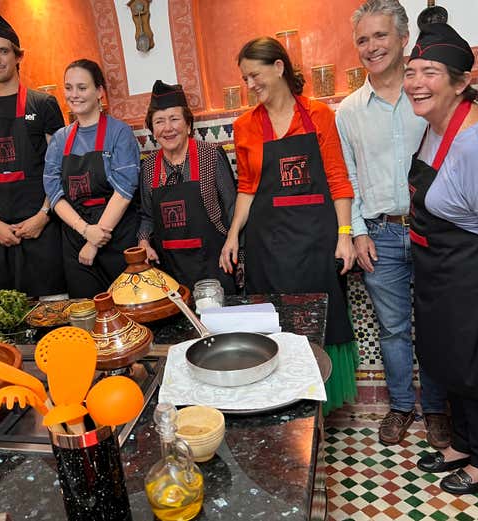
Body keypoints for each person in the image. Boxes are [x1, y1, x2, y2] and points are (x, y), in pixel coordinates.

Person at [405, 20, 478, 494]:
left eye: (430, 72)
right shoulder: (435, 124)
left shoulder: (475, 142)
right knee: (447, 361)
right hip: (436, 270)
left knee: (472, 367)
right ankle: (464, 443)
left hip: (469, 272)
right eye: (411, 72)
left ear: (460, 82)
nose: (415, 83)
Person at [219, 37, 358, 414]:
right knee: (276, 320)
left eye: (255, 75)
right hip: (267, 241)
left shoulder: (318, 115)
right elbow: (246, 188)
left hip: (316, 238)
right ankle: (288, 400)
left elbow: (337, 179)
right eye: (245, 78)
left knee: (322, 316)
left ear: (279, 67)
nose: (250, 85)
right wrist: (233, 237)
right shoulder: (245, 126)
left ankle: (321, 403)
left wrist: (344, 236)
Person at [336, 0, 450, 448]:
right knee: (394, 329)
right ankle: (402, 407)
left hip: (432, 229)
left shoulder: (428, 92)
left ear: (404, 38)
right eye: (363, 40)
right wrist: (358, 230)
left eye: (380, 36)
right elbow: (346, 176)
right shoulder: (348, 111)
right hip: (379, 234)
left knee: (436, 323)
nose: (371, 46)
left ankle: (438, 410)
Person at [0, 13, 66, 297]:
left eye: (3, 51)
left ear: (18, 56)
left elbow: (58, 169)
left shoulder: (44, 104)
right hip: (3, 236)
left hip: (44, 231)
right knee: (15, 321)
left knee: (55, 311)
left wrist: (43, 216)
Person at [43, 59, 140, 298]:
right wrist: (86, 232)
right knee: (87, 315)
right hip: (77, 239)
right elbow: (54, 192)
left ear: (99, 92)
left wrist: (95, 241)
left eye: (82, 88)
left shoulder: (120, 132)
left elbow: (125, 190)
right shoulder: (59, 139)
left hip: (117, 238)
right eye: (68, 88)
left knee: (128, 311)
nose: (74, 95)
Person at [137, 80, 237, 293]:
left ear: (188, 124)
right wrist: (144, 243)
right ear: (152, 130)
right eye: (159, 121)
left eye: (174, 119)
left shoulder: (210, 155)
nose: (168, 128)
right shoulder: (148, 168)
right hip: (170, 271)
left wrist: (237, 251)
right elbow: (147, 216)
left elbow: (232, 208)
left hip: (216, 263)